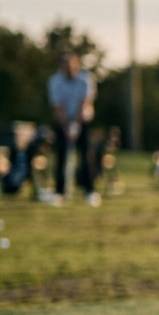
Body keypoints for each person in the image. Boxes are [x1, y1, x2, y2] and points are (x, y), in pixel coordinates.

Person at [46, 52, 100, 206]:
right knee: (61, 156)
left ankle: (90, 191)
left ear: (77, 65)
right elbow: (58, 108)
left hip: (82, 119)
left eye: (71, 65)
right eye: (65, 65)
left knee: (86, 155)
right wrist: (67, 128)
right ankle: (59, 192)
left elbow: (85, 103)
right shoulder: (55, 81)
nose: (68, 69)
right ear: (61, 66)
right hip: (63, 121)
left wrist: (76, 126)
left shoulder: (86, 79)